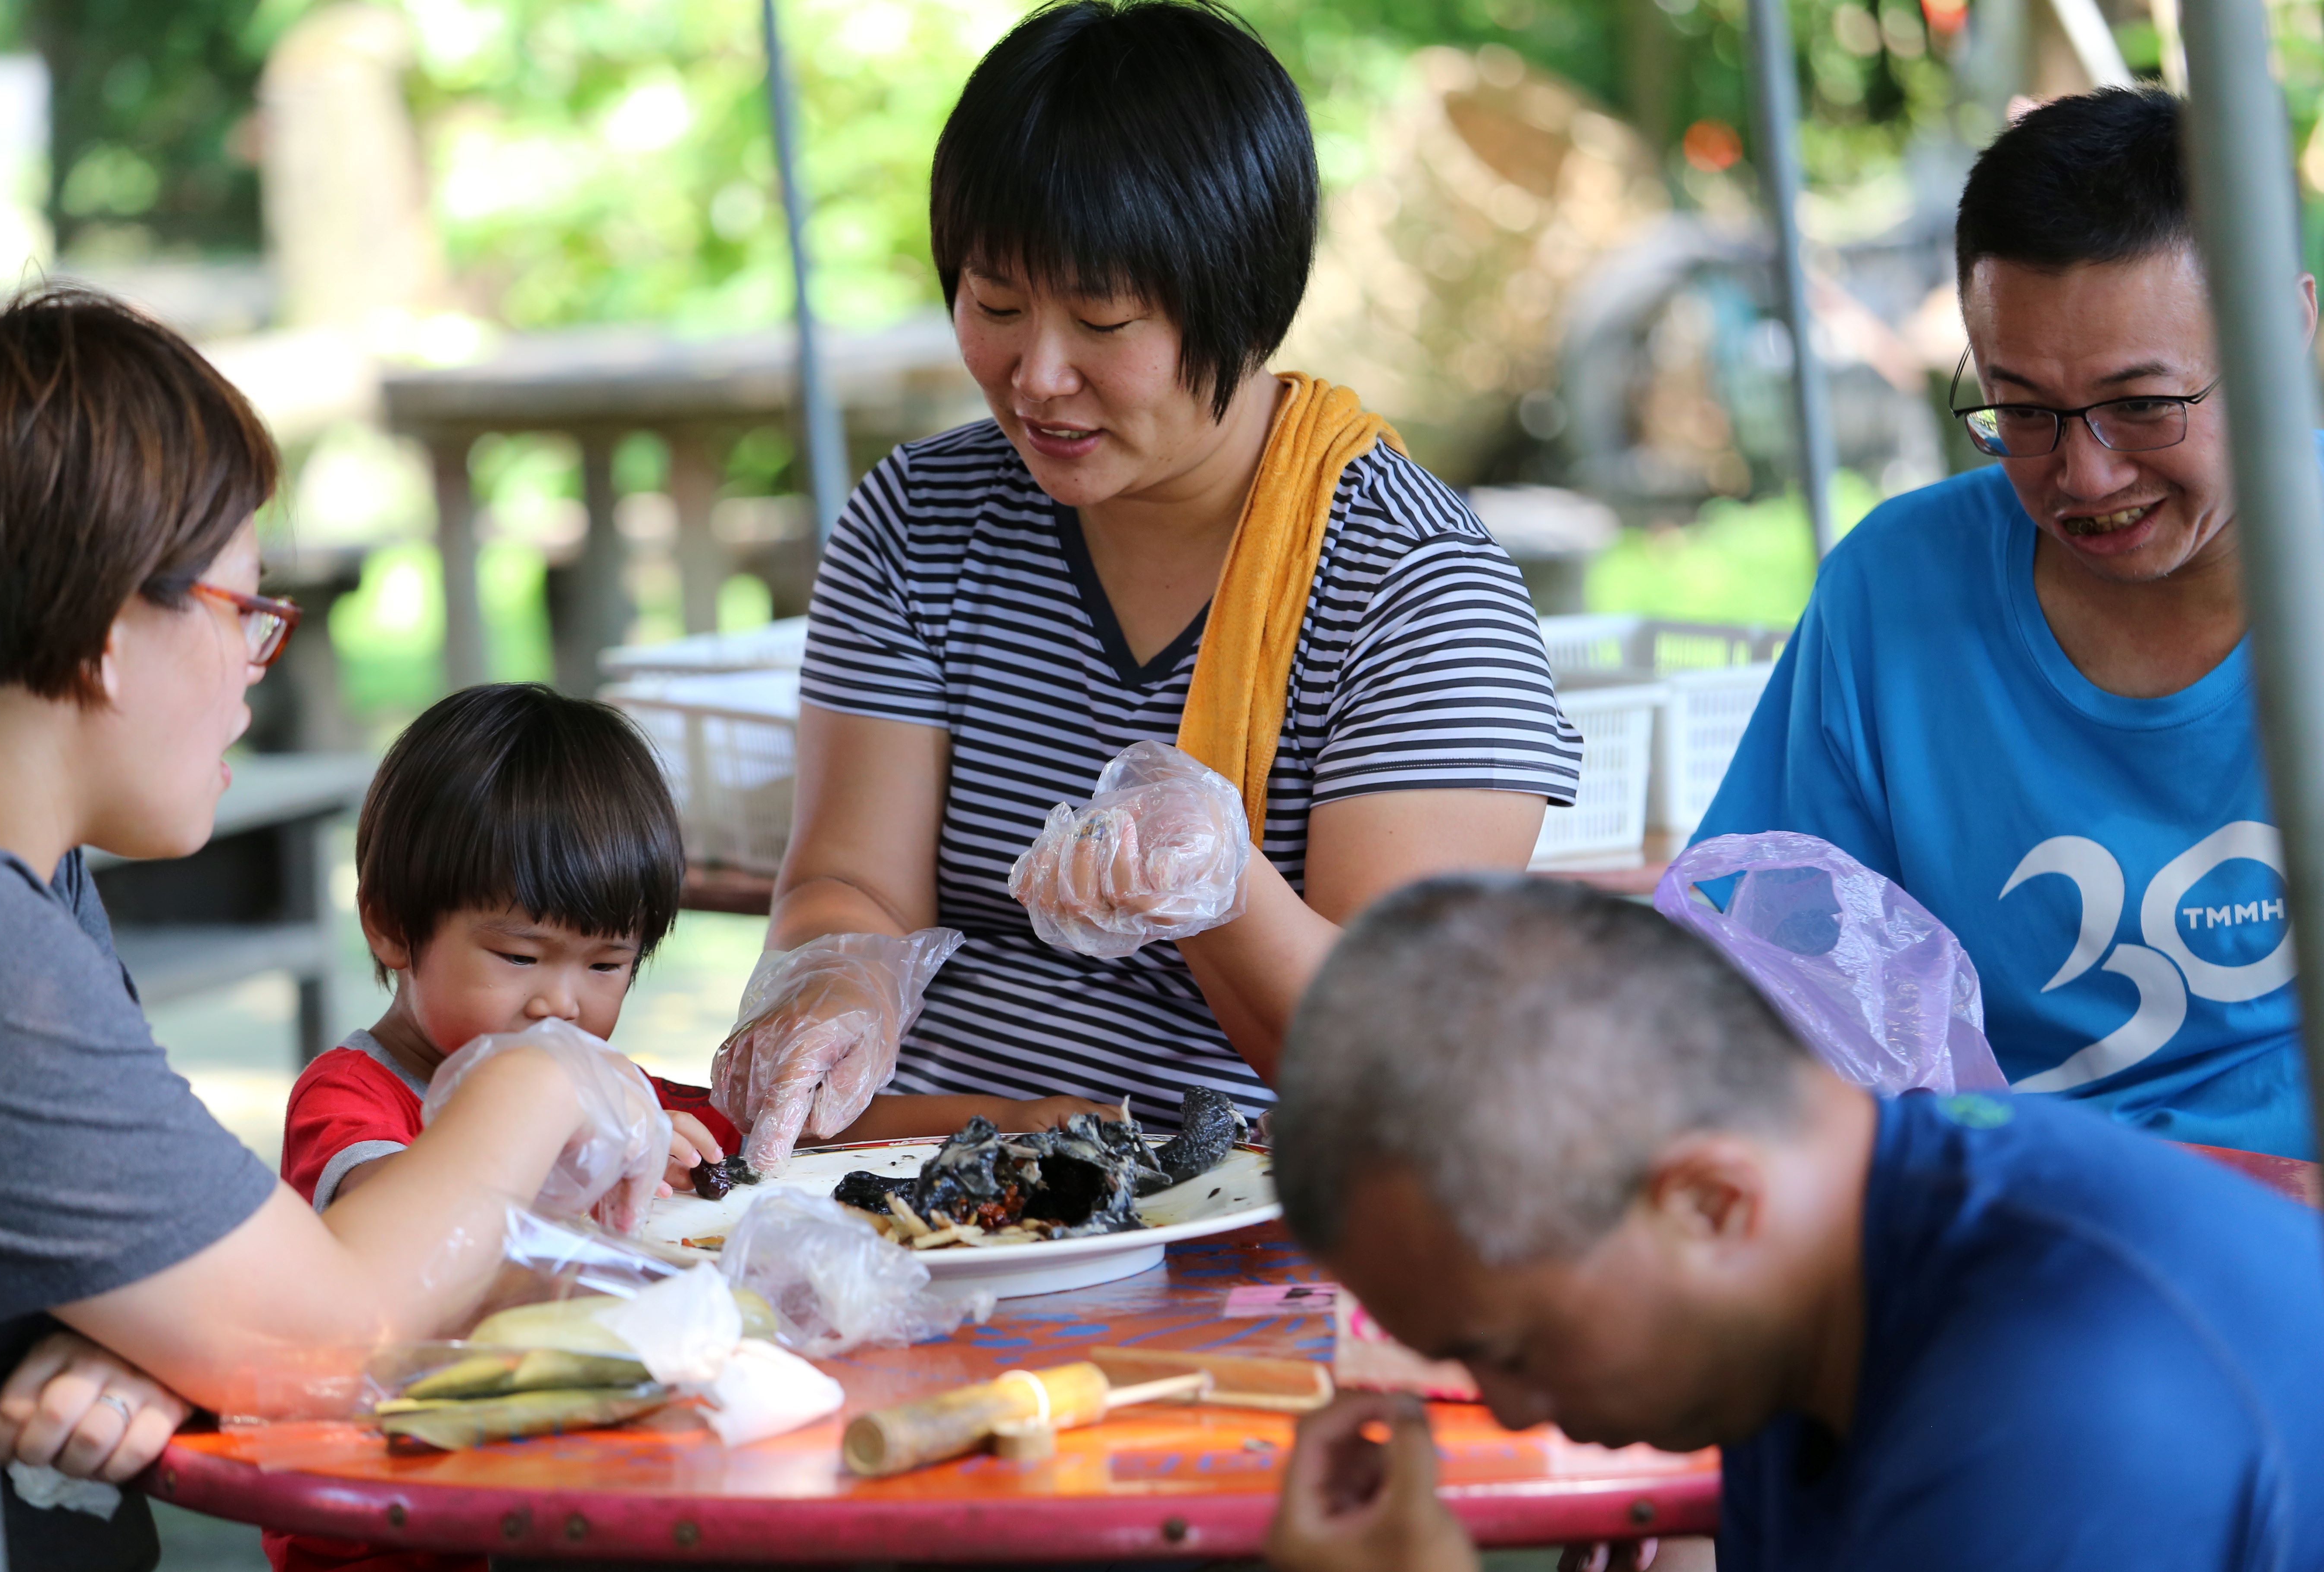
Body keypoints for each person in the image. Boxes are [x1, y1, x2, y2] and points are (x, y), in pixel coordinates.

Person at [714, 0, 1581, 1167]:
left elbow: (1398, 1064)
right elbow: (849, 882)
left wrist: (1220, 887)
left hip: (1233, 1200)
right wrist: (836, 986)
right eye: (997, 304)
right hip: (919, 1167)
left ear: (1241, 297)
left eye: (1104, 320)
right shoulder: (919, 522)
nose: (1038, 376)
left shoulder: (1413, 590)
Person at [0, 286, 668, 1572]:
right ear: (113, 632)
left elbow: (253, 1307)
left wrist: (174, 1331)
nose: (257, 664)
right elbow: (328, 1338)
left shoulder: (35, 874)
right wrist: (542, 1073)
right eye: (246, 610)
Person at [1263, 875, 2324, 1572]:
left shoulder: (2057, 1398)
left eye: (1506, 1351)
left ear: (1708, 1202)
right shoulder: (1822, 1274)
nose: (1496, 1409)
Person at [1695, 87, 2313, 1157]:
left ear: (2285, 332)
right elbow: (1760, 992)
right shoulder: (1891, 593)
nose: (2083, 474)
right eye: (2020, 410)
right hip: (1996, 1212)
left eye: (2140, 405)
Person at [280, 683, 735, 1217]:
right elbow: (384, 1225)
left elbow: (804, 1135)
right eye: (521, 957)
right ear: (393, 928)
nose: (561, 1005)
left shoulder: (618, 1097)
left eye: (606, 964)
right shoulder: (351, 1098)